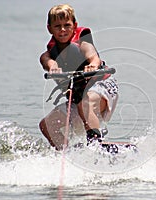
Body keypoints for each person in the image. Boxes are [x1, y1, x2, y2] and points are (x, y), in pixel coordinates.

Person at [39, 4, 118, 150]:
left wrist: (93, 65)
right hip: (79, 99)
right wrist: (52, 66)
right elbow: (46, 60)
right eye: (57, 26)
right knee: (46, 125)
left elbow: (93, 56)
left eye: (67, 25)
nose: (62, 30)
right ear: (49, 28)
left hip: (103, 88)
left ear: (74, 26)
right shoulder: (50, 54)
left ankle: (96, 144)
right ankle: (68, 153)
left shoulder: (83, 43)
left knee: (85, 101)